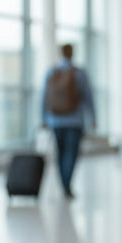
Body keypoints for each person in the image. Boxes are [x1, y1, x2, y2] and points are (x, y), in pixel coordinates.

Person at [41, 43, 96, 199]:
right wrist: (93, 117)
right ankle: (67, 185)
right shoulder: (79, 73)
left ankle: (64, 184)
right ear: (72, 53)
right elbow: (88, 97)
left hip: (55, 121)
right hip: (74, 121)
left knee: (60, 154)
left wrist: (43, 118)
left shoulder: (51, 72)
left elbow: (44, 98)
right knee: (71, 154)